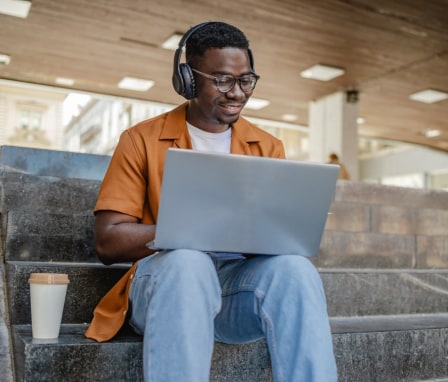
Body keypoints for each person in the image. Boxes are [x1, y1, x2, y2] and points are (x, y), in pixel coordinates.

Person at [85, 21, 337, 382]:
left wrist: (274, 233)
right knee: (189, 262)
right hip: (167, 290)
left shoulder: (268, 147)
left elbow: (275, 239)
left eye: (245, 80)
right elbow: (107, 242)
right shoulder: (140, 139)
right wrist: (188, 231)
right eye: (222, 79)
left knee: (296, 270)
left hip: (235, 296)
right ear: (187, 79)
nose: (237, 92)